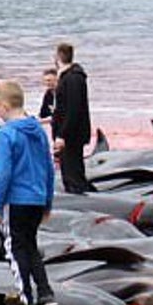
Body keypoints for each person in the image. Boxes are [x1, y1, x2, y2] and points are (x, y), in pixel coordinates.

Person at [0, 80, 57, 305]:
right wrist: (48, 201)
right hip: (37, 198)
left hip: (15, 200)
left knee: (15, 248)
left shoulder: (5, 134)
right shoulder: (38, 130)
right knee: (31, 246)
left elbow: (3, 173)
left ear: (4, 105)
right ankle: (46, 293)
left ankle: (25, 296)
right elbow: (49, 168)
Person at [51, 42, 93, 194]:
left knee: (73, 174)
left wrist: (62, 134)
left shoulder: (73, 78)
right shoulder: (67, 77)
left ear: (58, 57)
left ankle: (81, 198)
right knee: (68, 172)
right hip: (70, 133)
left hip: (72, 135)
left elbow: (73, 110)